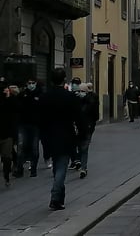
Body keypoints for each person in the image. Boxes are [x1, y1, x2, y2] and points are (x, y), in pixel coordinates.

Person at [39, 68, 84, 211]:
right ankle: (56, 197)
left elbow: (40, 118)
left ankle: (59, 198)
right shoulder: (70, 97)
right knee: (61, 168)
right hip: (66, 135)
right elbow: (78, 117)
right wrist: (81, 134)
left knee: (56, 165)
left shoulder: (45, 96)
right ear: (64, 79)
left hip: (49, 136)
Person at [14, 78, 41, 178]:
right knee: (21, 146)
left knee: (34, 148)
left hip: (35, 125)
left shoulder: (40, 94)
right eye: (29, 83)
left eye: (33, 83)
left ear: (36, 83)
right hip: (23, 124)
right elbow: (17, 107)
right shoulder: (22, 95)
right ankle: (19, 169)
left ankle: (33, 169)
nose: (31, 85)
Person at [77, 83, 99, 179]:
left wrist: (91, 124)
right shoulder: (77, 101)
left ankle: (83, 168)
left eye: (82, 91)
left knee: (84, 147)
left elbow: (95, 115)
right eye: (79, 91)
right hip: (78, 128)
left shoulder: (91, 101)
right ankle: (79, 162)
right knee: (80, 147)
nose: (80, 93)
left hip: (88, 127)